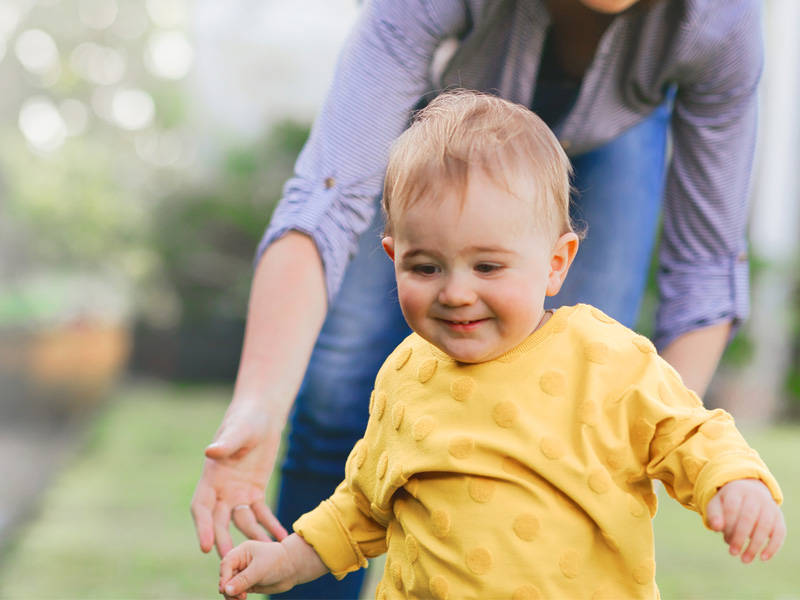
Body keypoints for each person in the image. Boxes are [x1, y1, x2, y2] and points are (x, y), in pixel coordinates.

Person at [192, 1, 765, 597]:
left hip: (619, 130)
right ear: (394, 257)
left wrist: (721, 476)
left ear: (558, 262)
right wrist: (261, 422)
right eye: (426, 266)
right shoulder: (404, 379)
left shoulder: (612, 360)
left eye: (487, 266)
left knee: (585, 420)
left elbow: (684, 420)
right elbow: (362, 505)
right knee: (337, 394)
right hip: (443, 124)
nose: (457, 292)